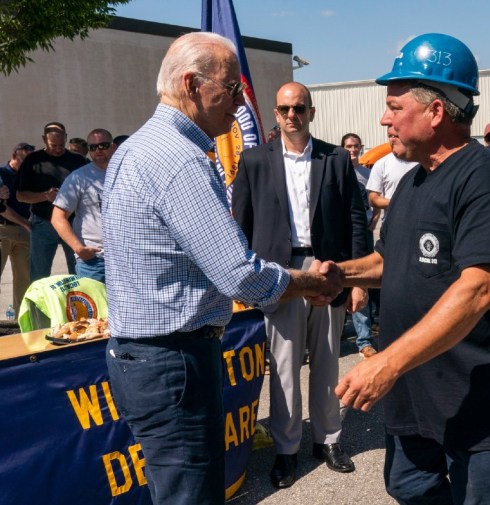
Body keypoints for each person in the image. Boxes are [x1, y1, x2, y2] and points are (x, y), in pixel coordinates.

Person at [102, 32, 342, 505]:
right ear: (192, 84)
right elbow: (239, 275)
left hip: (148, 358)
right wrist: (312, 282)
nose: (239, 102)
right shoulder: (180, 158)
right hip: (174, 362)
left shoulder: (139, 148)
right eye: (232, 89)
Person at [330, 33, 490, 504]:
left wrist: (386, 362)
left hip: (474, 398)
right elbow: (389, 261)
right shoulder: (413, 183)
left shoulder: (489, 180)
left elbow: (480, 288)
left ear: (436, 111)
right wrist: (338, 275)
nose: (384, 118)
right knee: (407, 485)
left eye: (395, 106)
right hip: (417, 391)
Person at [232, 82, 368, 486]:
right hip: (280, 273)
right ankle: (286, 449)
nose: (292, 115)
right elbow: (240, 224)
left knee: (327, 360)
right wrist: (244, 280)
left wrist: (358, 280)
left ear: (311, 112)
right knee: (285, 366)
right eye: (285, 109)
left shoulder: (337, 158)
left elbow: (355, 218)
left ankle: (328, 439)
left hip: (328, 268)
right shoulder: (254, 160)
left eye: (299, 108)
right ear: (275, 114)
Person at [17, 122, 85, 282]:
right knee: (39, 274)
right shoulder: (33, 161)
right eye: (53, 145)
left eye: (61, 144)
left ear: (66, 138)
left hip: (72, 222)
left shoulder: (77, 161)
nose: (58, 149)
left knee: (78, 271)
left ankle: (77, 304)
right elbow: (21, 195)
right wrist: (45, 196)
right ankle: (38, 307)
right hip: (43, 222)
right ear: (43, 139)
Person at [51, 129, 115, 283]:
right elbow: (57, 217)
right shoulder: (79, 177)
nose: (98, 150)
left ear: (113, 147)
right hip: (94, 261)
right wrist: (79, 248)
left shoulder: (128, 173)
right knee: (92, 307)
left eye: (103, 145)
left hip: (127, 258)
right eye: (92, 147)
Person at [343, 132, 380, 358]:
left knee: (361, 282)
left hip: (362, 235)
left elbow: (375, 201)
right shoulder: (336, 170)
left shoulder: (368, 173)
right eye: (348, 146)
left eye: (356, 146)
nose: (353, 150)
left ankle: (364, 339)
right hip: (343, 235)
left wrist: (373, 221)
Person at [0, 142, 34, 312]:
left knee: (24, 279)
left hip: (23, 232)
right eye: (24, 160)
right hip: (3, 230)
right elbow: (2, 208)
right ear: (14, 157)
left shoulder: (28, 175)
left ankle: (21, 321)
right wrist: (26, 223)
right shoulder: (1, 174)